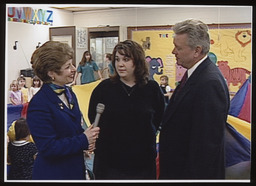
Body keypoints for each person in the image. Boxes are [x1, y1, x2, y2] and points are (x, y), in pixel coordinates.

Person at [159, 19, 230, 179]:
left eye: (178, 48)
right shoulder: (194, 74)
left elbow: (206, 145)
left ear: (197, 50)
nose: (173, 52)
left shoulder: (209, 83)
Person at [88, 40, 165, 179]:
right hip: (109, 163)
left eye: (126, 59)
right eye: (117, 59)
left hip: (142, 163)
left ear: (137, 61)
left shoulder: (152, 89)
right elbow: (93, 117)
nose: (120, 64)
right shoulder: (104, 89)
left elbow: (159, 117)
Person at [27, 41, 100, 180]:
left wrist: (87, 142)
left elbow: (72, 130)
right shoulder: (39, 104)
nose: (74, 69)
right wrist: (83, 139)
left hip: (75, 170)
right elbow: (48, 147)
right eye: (68, 67)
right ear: (51, 73)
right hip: (54, 174)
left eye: (72, 64)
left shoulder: (70, 93)